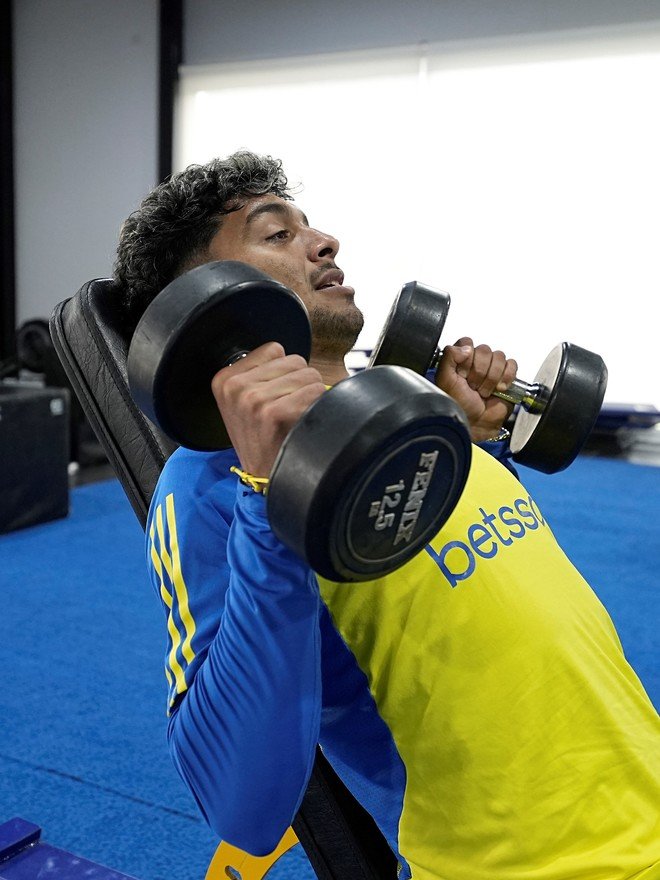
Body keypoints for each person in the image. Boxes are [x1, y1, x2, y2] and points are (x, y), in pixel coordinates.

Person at [114, 152, 660, 880]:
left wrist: (478, 443)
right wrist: (261, 487)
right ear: (205, 299)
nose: (324, 241)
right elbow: (242, 805)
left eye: (309, 226)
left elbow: (491, 606)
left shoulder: (412, 413)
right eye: (276, 235)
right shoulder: (209, 485)